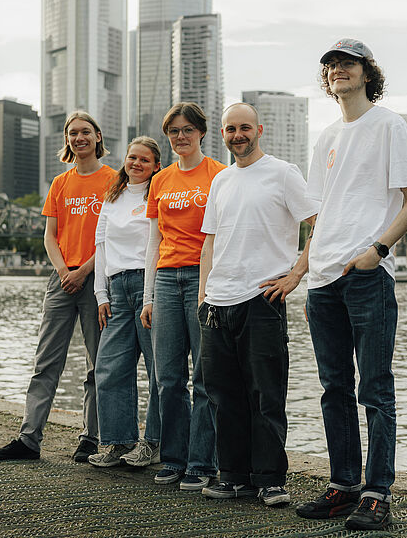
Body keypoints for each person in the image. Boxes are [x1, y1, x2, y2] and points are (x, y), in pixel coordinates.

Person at [294, 39, 407, 530]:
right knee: (333, 388)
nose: (336, 71)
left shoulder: (388, 125)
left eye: (346, 63)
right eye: (329, 66)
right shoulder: (326, 137)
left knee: (374, 389)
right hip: (325, 279)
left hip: (368, 275)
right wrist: (306, 273)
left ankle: (377, 495)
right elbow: (320, 215)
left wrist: (379, 251)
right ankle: (343, 487)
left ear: (367, 73)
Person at [197, 103, 318, 507]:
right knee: (223, 396)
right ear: (223, 133)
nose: (238, 135)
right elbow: (210, 241)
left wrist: (296, 274)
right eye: (231, 129)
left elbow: (318, 224)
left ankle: (269, 479)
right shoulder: (221, 181)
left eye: (245, 127)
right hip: (218, 302)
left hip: (262, 299)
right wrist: (202, 296)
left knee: (266, 395)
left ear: (259, 130)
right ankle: (233, 477)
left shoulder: (283, 173)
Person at [0, 111, 118, 463]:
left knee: (97, 363)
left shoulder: (114, 180)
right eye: (73, 133)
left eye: (85, 132)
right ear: (67, 140)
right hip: (62, 279)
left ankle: (90, 438)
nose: (79, 138)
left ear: (98, 137)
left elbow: (112, 238)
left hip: (97, 279)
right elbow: (50, 235)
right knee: (46, 362)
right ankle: (29, 439)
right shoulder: (60, 183)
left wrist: (83, 271)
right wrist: (64, 271)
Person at [140, 102, 226, 491]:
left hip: (201, 278)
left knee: (203, 378)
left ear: (202, 133)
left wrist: (214, 288)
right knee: (167, 378)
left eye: (187, 130)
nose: (180, 137)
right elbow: (153, 241)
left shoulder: (220, 176)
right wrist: (148, 296)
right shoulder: (160, 181)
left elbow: (222, 238)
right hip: (167, 279)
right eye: (173, 131)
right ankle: (173, 458)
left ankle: (201, 463)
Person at [88, 137, 162, 468]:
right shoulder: (113, 197)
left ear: (156, 166)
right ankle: (119, 441)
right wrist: (100, 294)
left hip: (149, 285)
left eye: (144, 160)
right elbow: (101, 246)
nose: (136, 163)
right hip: (117, 289)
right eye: (132, 157)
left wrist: (150, 294)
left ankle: (155, 442)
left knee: (159, 369)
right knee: (109, 367)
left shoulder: (157, 195)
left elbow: (157, 243)